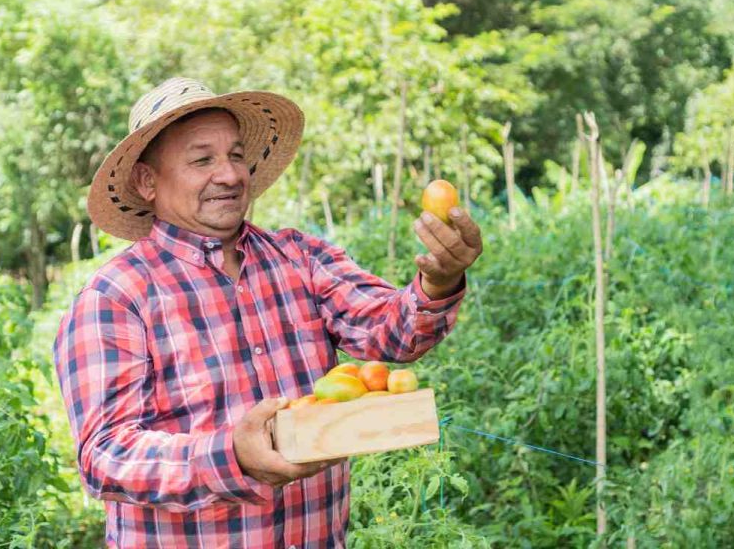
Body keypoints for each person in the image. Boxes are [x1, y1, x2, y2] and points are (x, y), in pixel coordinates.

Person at [53, 77, 482, 548]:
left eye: (236, 155)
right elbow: (105, 457)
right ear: (147, 182)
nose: (231, 175)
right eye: (202, 160)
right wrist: (231, 455)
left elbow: (392, 333)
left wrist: (438, 282)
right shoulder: (116, 298)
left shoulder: (299, 258)